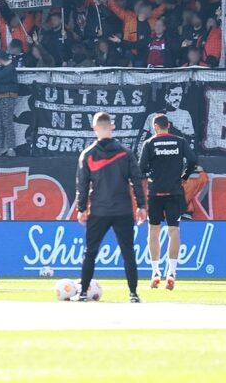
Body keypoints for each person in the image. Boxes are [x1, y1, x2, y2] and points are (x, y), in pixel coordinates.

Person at [74, 111, 147, 303]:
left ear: (94, 128)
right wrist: (141, 205)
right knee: (128, 252)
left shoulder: (87, 154)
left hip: (99, 210)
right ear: (112, 127)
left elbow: (81, 185)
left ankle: (82, 292)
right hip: (123, 209)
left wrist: (81, 209)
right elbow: (136, 181)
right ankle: (133, 294)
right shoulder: (125, 153)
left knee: (90, 251)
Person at [138, 113, 195, 290]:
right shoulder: (180, 142)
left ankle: (155, 272)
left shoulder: (149, 143)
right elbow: (193, 160)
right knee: (174, 231)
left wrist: (152, 174)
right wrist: (184, 176)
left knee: (153, 232)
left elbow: (141, 168)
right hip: (174, 192)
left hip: (155, 192)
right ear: (168, 125)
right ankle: (172, 272)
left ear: (155, 127)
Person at [0, 46, 24, 157]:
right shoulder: (2, 67)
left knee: (7, 122)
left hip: (8, 98)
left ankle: (11, 148)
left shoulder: (10, 68)